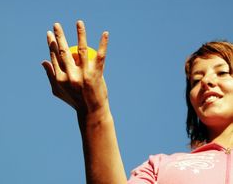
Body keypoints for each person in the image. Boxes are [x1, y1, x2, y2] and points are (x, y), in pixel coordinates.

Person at [42, 20, 233, 183]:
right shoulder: (159, 167)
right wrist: (93, 110)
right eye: (196, 81)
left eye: (222, 72)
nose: (206, 82)